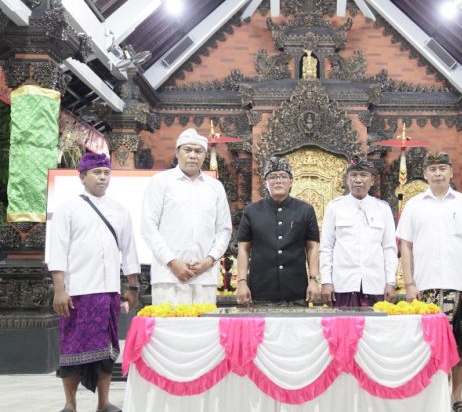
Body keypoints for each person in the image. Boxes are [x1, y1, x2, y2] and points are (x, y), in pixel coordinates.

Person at [48, 152, 140, 412]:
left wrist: (132, 286)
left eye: (106, 173)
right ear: (82, 176)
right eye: (97, 172)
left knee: (107, 349)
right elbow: (57, 252)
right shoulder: (68, 208)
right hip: (75, 293)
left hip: (108, 292)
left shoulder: (120, 211)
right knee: (71, 349)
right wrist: (59, 289)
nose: (102, 177)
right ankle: (69, 405)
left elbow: (129, 252)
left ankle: (103, 403)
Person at [396, 151, 462, 412]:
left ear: (450, 172)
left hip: (459, 286)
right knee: (427, 345)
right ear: (425, 173)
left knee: (460, 343)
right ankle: (431, 396)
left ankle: (456, 396)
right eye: (432, 169)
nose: (437, 173)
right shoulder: (414, 205)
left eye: (442, 168)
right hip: (425, 288)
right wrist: (409, 284)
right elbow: (406, 247)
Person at [141, 128, 232, 305]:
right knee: (168, 330)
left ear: (205, 155)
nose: (192, 155)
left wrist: (209, 260)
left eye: (198, 151)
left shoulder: (215, 187)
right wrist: (172, 261)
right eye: (187, 150)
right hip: (168, 276)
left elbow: (224, 230)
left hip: (204, 277)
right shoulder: (161, 182)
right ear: (177, 152)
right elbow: (148, 227)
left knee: (204, 330)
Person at [235, 156, 321, 305]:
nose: (278, 181)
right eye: (273, 177)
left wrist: (314, 280)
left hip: (296, 291)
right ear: (266, 183)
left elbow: (312, 247)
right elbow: (243, 249)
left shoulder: (305, 210)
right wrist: (242, 282)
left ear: (291, 181)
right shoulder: (252, 211)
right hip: (261, 290)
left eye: (283, 176)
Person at [320, 156, 397, 307]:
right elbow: (326, 248)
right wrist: (326, 281)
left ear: (372, 180)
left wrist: (391, 282)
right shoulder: (335, 207)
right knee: (343, 330)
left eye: (363, 175)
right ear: (347, 180)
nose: (358, 180)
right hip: (343, 284)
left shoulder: (382, 209)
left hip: (375, 284)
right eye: (353, 175)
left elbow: (389, 248)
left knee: (375, 329)